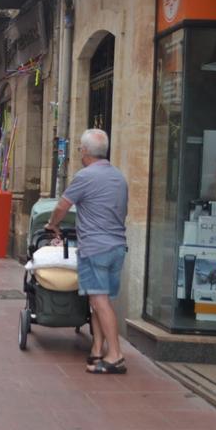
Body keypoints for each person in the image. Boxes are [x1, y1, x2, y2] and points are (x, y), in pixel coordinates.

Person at [45, 129, 129, 375]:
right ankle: (97, 349)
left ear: (84, 151)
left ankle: (115, 355)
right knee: (100, 300)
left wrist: (52, 224)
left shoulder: (85, 176)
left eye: (80, 148)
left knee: (98, 300)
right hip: (116, 247)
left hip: (95, 247)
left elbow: (62, 206)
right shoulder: (118, 177)